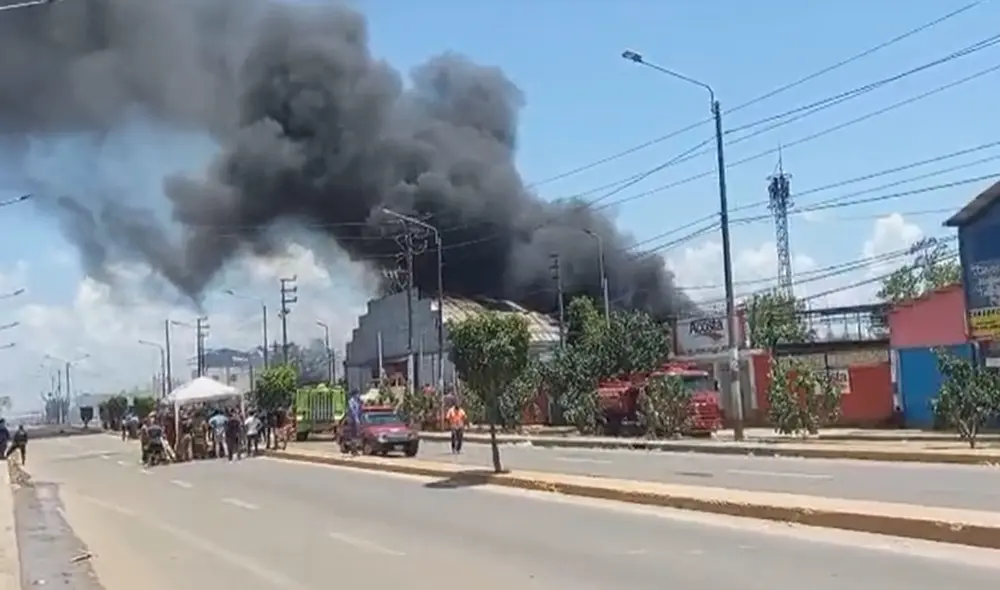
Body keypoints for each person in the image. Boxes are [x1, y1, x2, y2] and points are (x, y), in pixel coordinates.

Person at [345, 389, 362, 455]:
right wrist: (356, 419)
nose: (358, 395)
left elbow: (359, 410)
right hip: (352, 420)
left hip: (356, 419)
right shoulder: (351, 401)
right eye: (357, 394)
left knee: (356, 436)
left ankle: (354, 450)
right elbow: (353, 411)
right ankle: (353, 450)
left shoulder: (357, 401)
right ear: (354, 394)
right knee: (353, 435)